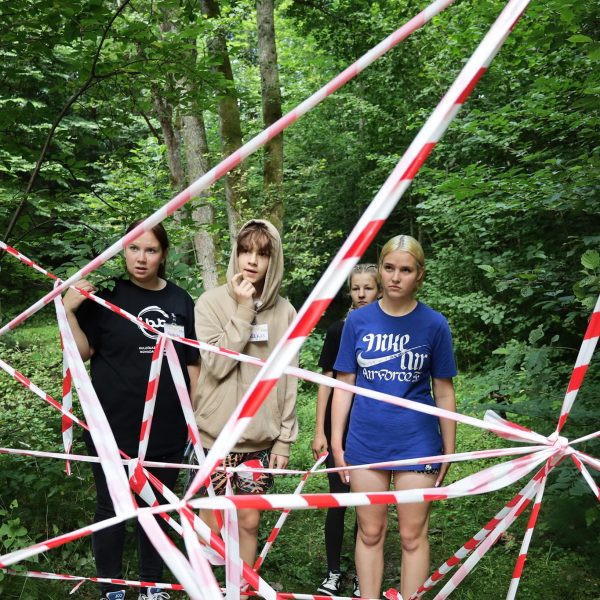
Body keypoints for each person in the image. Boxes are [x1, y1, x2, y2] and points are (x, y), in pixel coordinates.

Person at [63, 220, 200, 600]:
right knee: (111, 507)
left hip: (167, 428)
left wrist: (192, 420)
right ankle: (112, 588)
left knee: (156, 508)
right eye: (134, 249)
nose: (142, 258)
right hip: (110, 426)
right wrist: (70, 312)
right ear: (123, 251)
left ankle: (151, 585)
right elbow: (82, 352)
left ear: (163, 254)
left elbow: (192, 364)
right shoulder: (107, 296)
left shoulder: (180, 301)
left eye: (151, 250)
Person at [331, 235, 457, 600]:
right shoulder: (358, 321)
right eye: (389, 268)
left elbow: (443, 390)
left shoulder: (434, 324)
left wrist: (449, 449)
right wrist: (337, 443)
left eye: (405, 270)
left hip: (418, 443)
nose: (395, 277)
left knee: (412, 535)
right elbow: (344, 384)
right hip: (366, 442)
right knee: (370, 532)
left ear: (419, 275)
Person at [192, 219, 298, 573]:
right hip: (215, 437)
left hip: (259, 439)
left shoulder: (285, 312)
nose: (252, 260)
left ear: (274, 260)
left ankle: (242, 590)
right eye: (245, 251)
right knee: (212, 521)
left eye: (262, 254)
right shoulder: (209, 303)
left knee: (249, 522)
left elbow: (289, 378)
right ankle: (207, 589)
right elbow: (217, 364)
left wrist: (284, 439)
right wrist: (243, 308)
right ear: (235, 255)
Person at [312, 264, 380, 598]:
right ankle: (333, 572)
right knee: (338, 499)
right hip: (338, 429)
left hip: (371, 430)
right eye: (356, 288)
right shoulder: (339, 330)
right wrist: (319, 431)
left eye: (368, 288)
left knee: (366, 504)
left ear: (379, 290)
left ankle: (360, 573)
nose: (362, 294)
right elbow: (326, 382)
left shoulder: (386, 334)